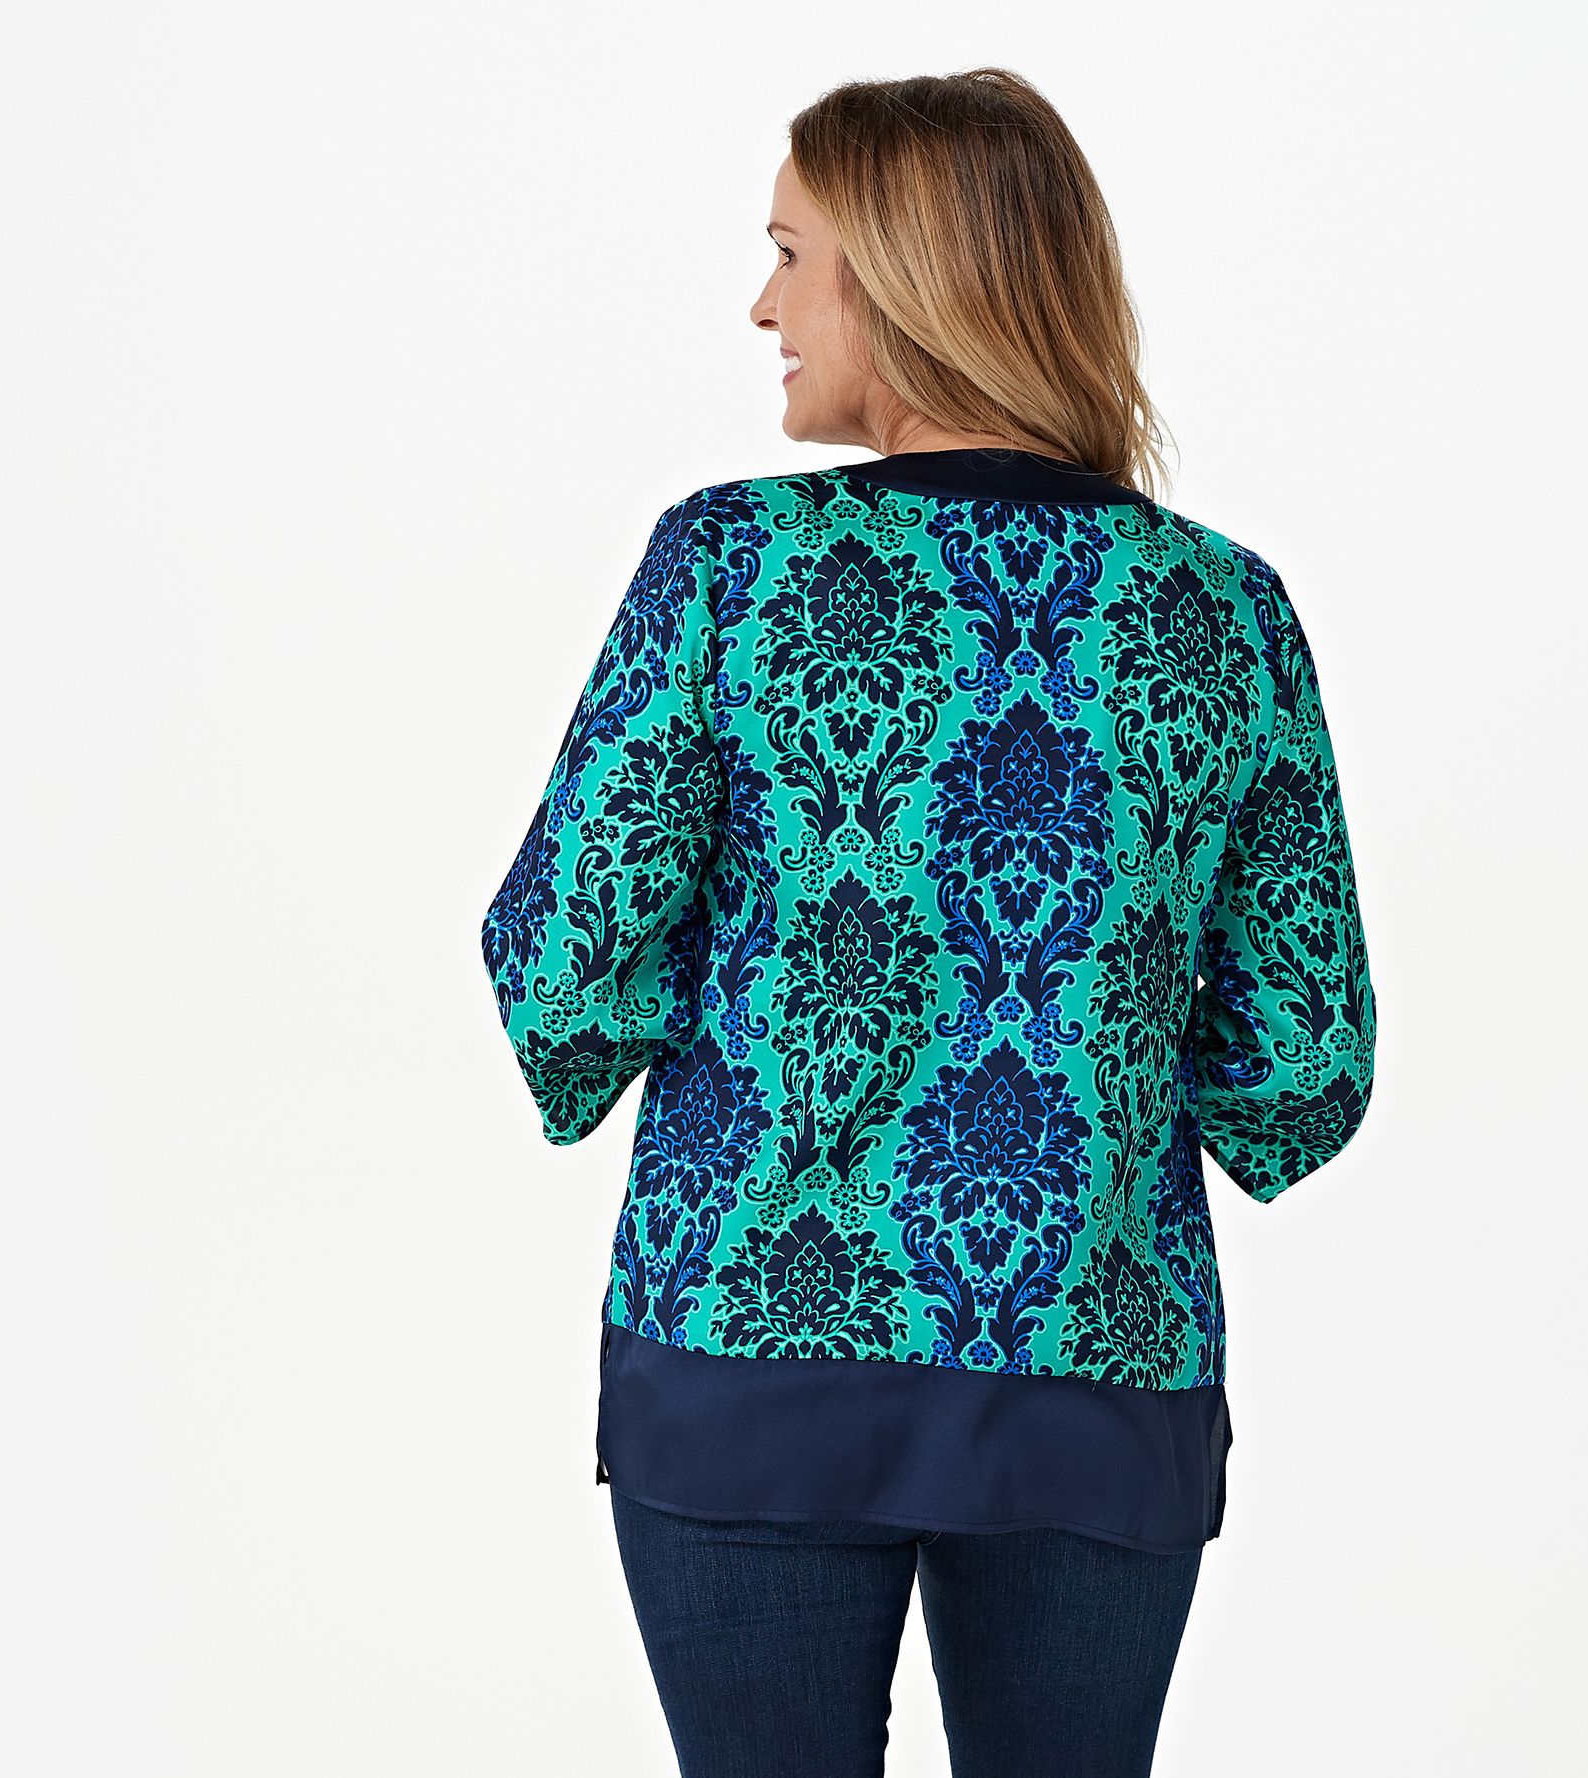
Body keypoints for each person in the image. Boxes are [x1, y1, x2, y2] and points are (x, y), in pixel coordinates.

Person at [479, 66, 1377, 1778]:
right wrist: (1103, 1077)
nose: (762, 307)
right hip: (1097, 1377)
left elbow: (565, 971)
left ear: (904, 277)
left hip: (745, 1351)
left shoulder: (727, 568)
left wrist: (718, 1043)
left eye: (790, 256)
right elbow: (1302, 1067)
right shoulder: (1224, 611)